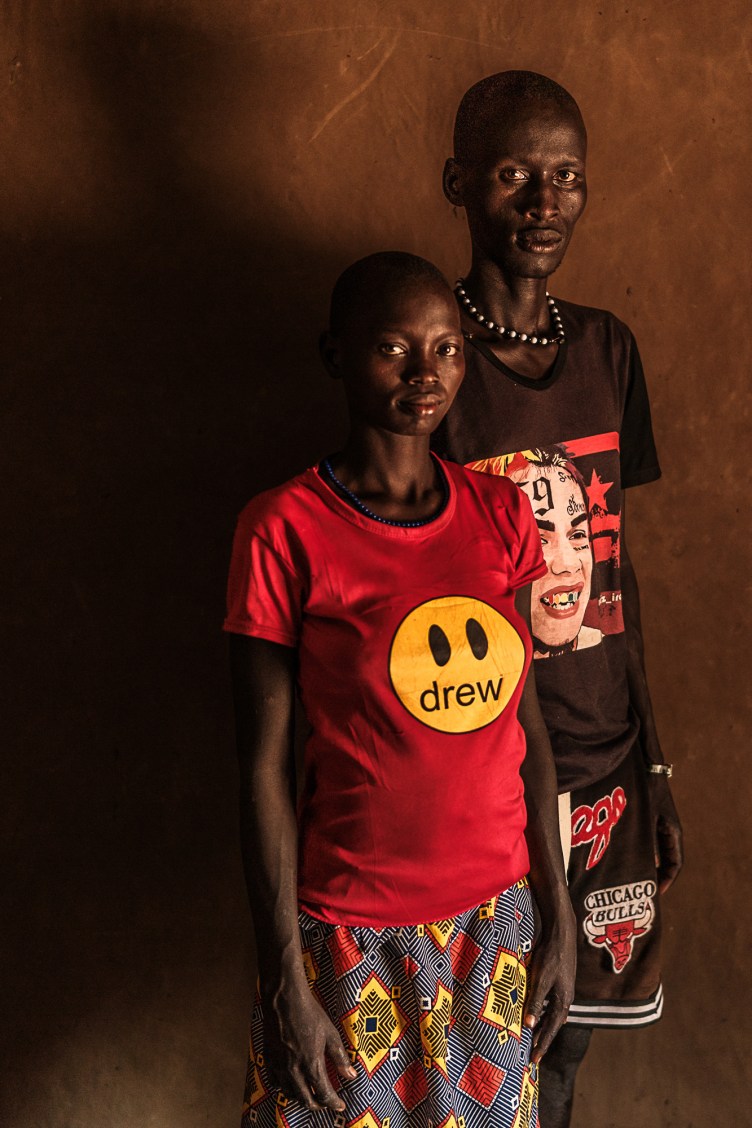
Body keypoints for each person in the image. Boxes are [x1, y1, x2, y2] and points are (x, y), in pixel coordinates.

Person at [225, 251, 576, 1128]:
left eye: (448, 349)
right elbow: (262, 772)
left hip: (495, 923)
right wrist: (286, 981)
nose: (427, 375)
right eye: (393, 348)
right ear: (335, 354)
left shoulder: (499, 517)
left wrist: (557, 914)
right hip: (349, 932)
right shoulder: (284, 530)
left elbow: (526, 727)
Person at [434, 72, 683, 1128]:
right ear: (458, 185)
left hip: (605, 768)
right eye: (513, 175)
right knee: (481, 1060)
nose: (543, 203)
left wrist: (654, 758)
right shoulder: (431, 361)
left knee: (566, 1056)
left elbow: (618, 578)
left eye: (566, 178)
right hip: (486, 775)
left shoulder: (606, 349)